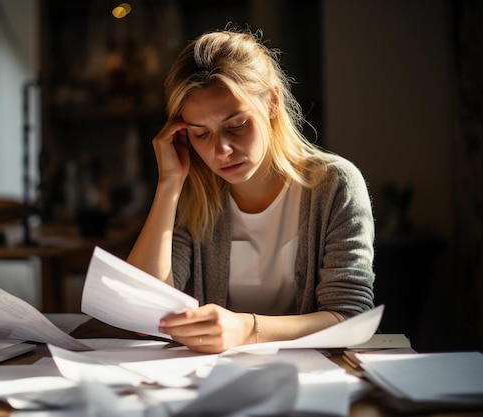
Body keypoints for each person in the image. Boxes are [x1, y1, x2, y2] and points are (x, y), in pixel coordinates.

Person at [127, 27, 375, 353]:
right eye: (201, 134)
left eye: (236, 126)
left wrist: (247, 329)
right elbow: (144, 314)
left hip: (312, 377)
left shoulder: (335, 186)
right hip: (209, 381)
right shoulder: (195, 192)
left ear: (272, 102)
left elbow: (350, 317)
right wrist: (169, 184)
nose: (221, 150)